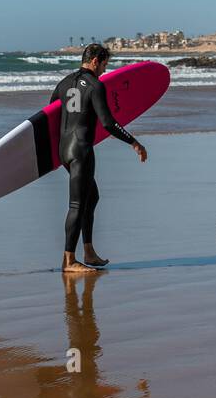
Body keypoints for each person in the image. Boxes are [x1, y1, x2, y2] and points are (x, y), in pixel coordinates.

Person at [51, 43, 147, 273]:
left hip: (64, 150)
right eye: (104, 65)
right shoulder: (95, 85)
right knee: (77, 204)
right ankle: (69, 261)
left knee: (91, 197)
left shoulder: (64, 83)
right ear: (95, 61)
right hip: (81, 149)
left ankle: (89, 252)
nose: (105, 70)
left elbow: (51, 114)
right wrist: (134, 142)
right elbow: (108, 123)